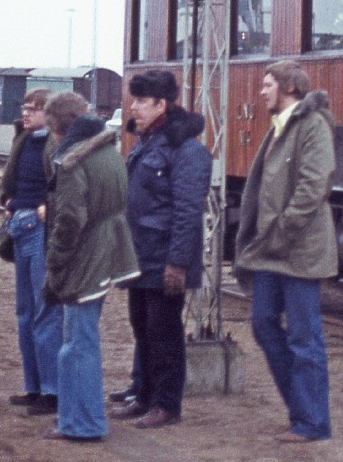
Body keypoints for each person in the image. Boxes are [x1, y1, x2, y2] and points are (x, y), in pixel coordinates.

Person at [234, 60, 338, 443]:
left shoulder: (312, 126)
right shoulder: (279, 128)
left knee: (304, 337)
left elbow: (314, 185)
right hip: (271, 249)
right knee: (263, 324)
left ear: (288, 88)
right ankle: (300, 410)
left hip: (298, 250)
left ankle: (312, 422)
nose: (261, 92)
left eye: (267, 85)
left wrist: (282, 230)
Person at [111, 70, 210, 430]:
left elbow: (187, 211)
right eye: (133, 99)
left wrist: (178, 264)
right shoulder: (146, 142)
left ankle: (166, 404)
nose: (133, 107)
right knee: (142, 328)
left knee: (163, 332)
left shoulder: (187, 151)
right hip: (140, 255)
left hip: (164, 258)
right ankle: (145, 396)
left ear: (161, 105)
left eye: (141, 101)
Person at [40, 91, 140, 442]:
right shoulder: (108, 151)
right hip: (110, 249)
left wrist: (55, 263)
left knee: (77, 345)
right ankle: (78, 419)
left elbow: (68, 220)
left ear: (57, 127)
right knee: (83, 340)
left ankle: (82, 423)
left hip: (85, 258)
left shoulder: (72, 161)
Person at [0, 88, 63, 416]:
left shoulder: (55, 145)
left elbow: (63, 186)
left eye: (34, 110)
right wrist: (7, 201)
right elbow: (10, 180)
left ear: (48, 115)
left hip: (40, 232)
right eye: (25, 108)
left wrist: (45, 209)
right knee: (24, 312)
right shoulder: (22, 141)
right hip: (19, 227)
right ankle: (33, 386)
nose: (26, 114)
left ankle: (52, 392)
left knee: (45, 311)